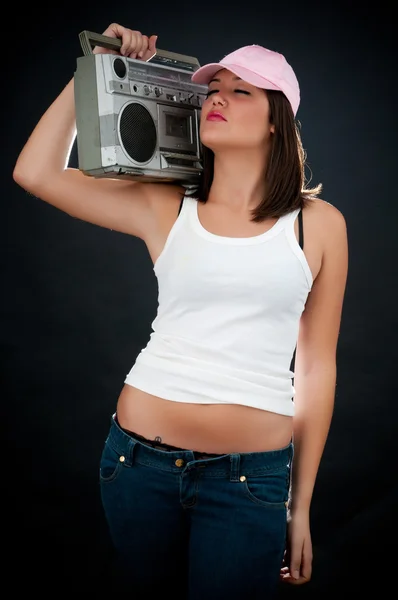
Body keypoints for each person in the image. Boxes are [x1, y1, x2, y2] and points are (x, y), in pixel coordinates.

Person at [13, 22, 348, 599]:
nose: (217, 95)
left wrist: (300, 506)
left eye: (241, 90)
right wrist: (94, 64)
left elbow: (317, 369)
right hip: (136, 467)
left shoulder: (319, 226)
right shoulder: (165, 203)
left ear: (276, 120)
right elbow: (34, 172)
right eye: (213, 86)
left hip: (250, 481)